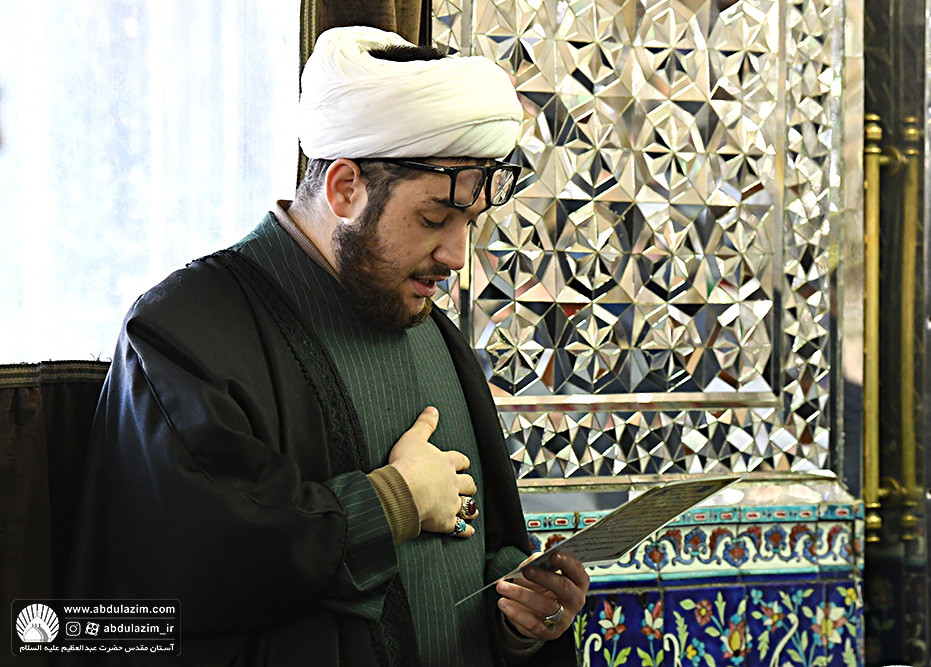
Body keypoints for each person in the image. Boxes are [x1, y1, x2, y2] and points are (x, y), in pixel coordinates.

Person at [64, 26, 589, 666]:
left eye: (468, 224)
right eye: (433, 219)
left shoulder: (434, 334)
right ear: (345, 188)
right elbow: (183, 577)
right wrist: (392, 503)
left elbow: (480, 557)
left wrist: (520, 622)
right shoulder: (180, 332)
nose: (457, 255)